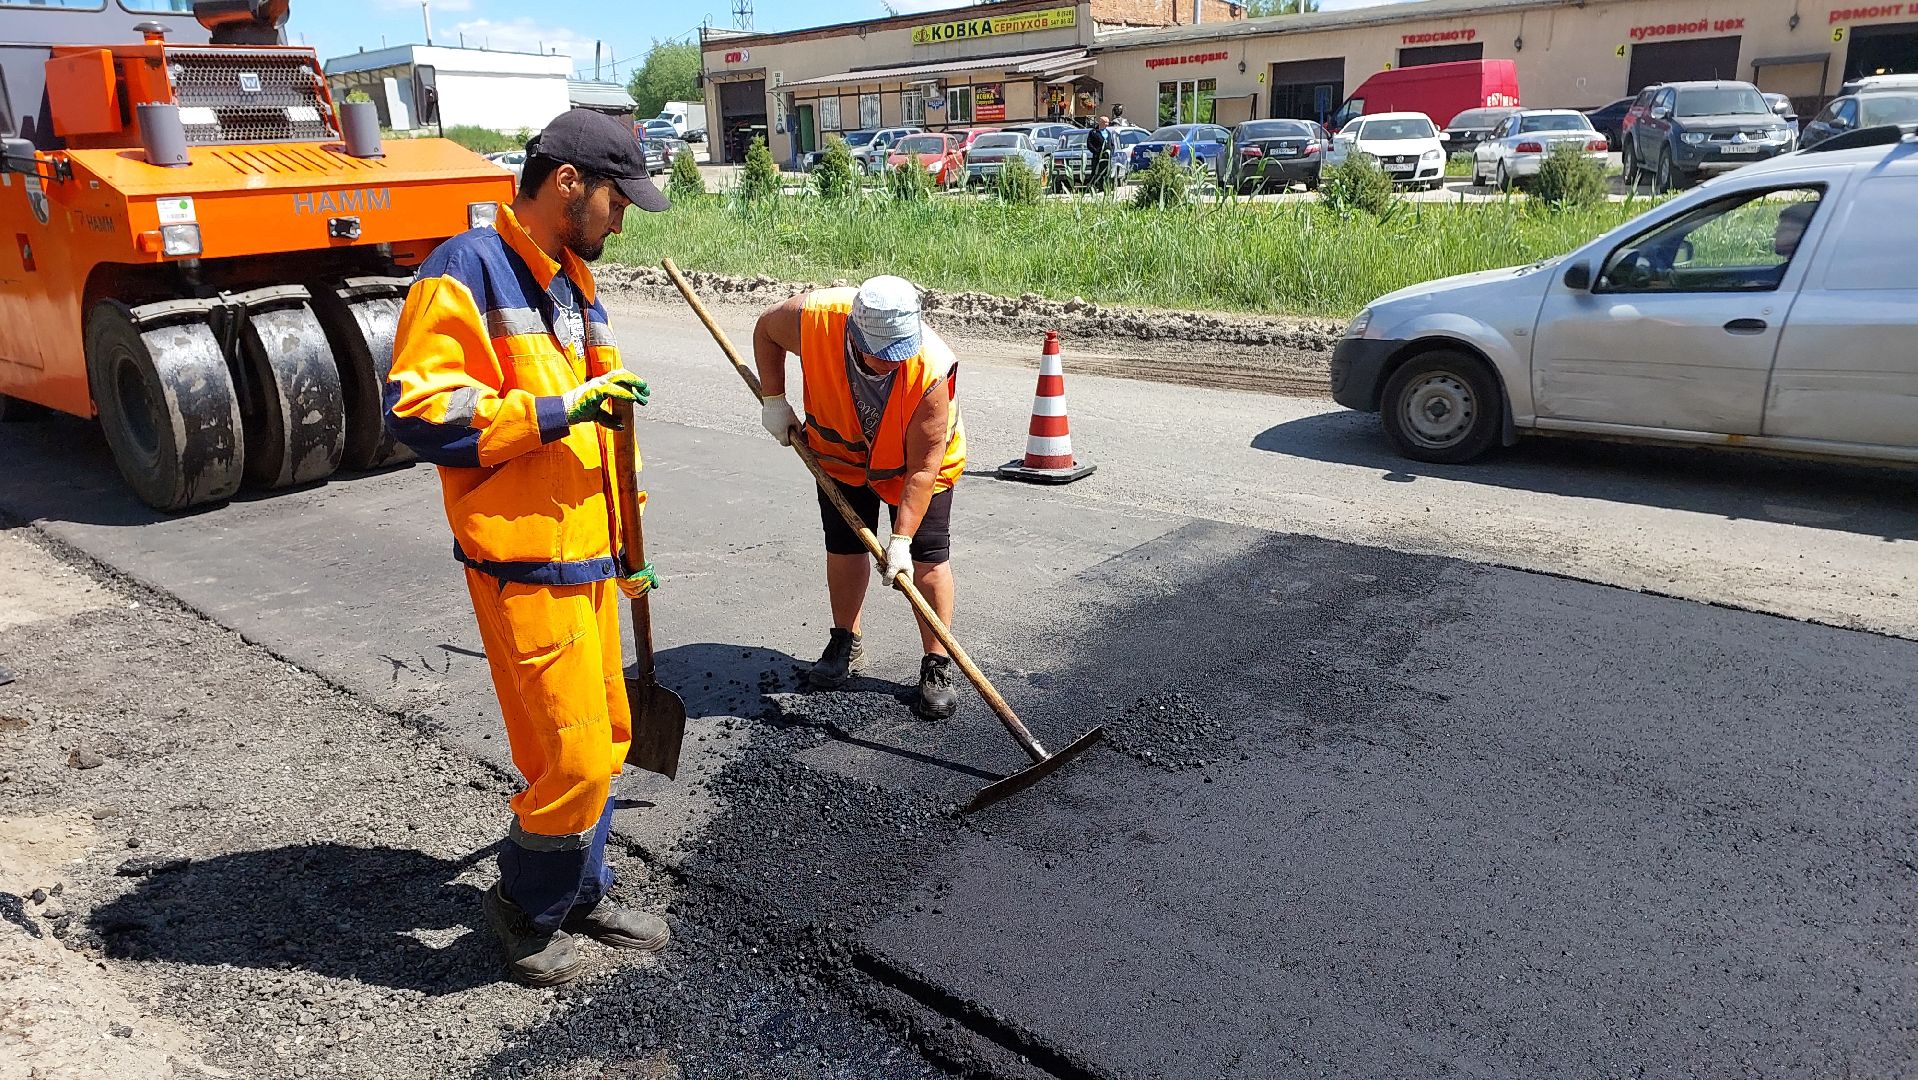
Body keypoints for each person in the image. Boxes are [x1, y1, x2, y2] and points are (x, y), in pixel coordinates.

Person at [384, 108, 674, 988]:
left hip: (588, 554)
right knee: (572, 756)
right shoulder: (463, 273)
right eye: (617, 201)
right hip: (524, 565)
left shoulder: (576, 281)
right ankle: (520, 907)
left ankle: (580, 889)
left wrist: (627, 542)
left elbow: (605, 426)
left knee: (610, 738)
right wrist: (552, 413)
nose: (621, 219)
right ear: (568, 184)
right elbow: (420, 410)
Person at [751, 277, 968, 720]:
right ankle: (844, 642)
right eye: (882, 355)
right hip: (841, 456)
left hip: (914, 468)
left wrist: (902, 540)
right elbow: (765, 332)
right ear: (854, 332)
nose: (893, 363)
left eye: (900, 352)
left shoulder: (931, 372)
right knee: (845, 548)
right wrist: (774, 400)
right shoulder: (814, 321)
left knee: (927, 559)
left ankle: (937, 663)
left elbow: (923, 470)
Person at [1087, 115, 1114, 191]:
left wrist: (1111, 151)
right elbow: (1089, 144)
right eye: (1106, 122)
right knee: (1096, 171)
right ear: (1101, 122)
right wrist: (1096, 152)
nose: (1107, 124)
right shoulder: (1093, 132)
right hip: (1097, 156)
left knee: (1106, 172)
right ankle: (1092, 187)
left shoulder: (1108, 132)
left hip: (1107, 156)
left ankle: (1104, 187)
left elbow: (1111, 143)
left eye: (1108, 123)